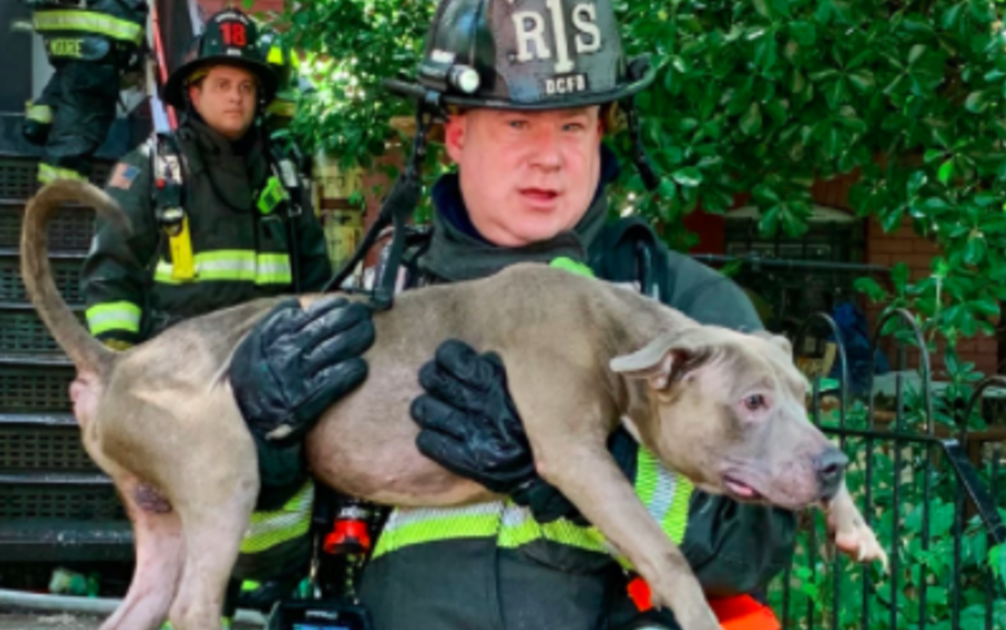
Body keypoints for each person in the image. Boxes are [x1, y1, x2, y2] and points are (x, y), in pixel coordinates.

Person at [226, 0, 795, 628]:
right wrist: (264, 457)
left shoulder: (685, 315)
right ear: (456, 134)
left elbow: (751, 553)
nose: (548, 157)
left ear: (602, 133)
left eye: (572, 125)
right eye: (518, 125)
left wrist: (583, 466)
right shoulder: (369, 307)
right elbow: (263, 564)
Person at [80, 6, 333, 622]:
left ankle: (264, 602)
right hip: (185, 388)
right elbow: (110, 273)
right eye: (222, 83)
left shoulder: (285, 173)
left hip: (276, 380)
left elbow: (319, 280)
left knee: (276, 531)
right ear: (193, 91)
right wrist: (118, 372)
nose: (237, 96)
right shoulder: (153, 168)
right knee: (195, 539)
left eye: (247, 86)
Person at [22, 0, 148, 185]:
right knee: (87, 105)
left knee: (70, 81)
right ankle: (63, 177)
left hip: (68, 25)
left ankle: (45, 115)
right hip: (98, 31)